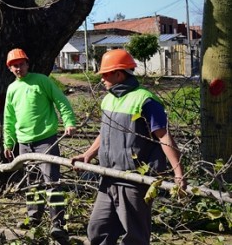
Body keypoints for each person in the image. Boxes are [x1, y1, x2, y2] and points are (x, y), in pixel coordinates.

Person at [71, 49, 186, 245]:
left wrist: (178, 173)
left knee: (135, 236)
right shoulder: (109, 98)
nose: (102, 79)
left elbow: (164, 136)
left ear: (119, 73)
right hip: (108, 176)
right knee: (98, 229)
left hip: (134, 180)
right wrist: (88, 154)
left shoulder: (145, 101)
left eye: (106, 74)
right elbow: (105, 133)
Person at [3, 48, 76, 242]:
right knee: (32, 183)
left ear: (27, 64)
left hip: (46, 141)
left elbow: (61, 102)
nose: (18, 68)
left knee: (52, 182)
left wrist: (69, 122)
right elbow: (8, 118)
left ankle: (58, 224)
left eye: (21, 64)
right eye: (14, 65)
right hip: (24, 143)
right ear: (10, 68)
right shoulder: (12, 89)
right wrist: (8, 142)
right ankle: (34, 218)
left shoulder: (41, 81)